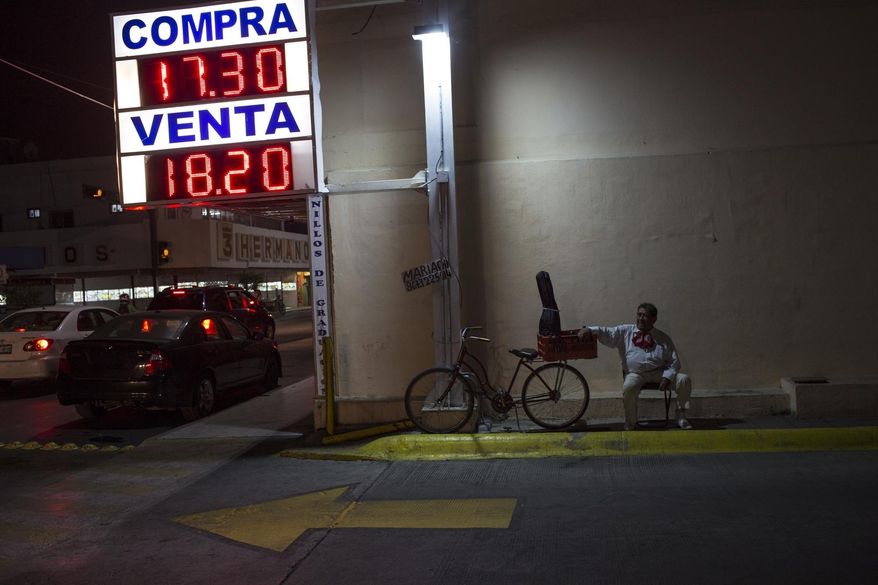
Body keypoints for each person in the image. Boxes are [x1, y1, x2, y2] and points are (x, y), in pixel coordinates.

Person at [577, 302, 692, 431]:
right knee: (628, 387)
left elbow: (674, 362)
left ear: (654, 319)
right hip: (635, 374)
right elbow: (607, 332)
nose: (641, 318)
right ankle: (630, 421)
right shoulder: (626, 331)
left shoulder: (663, 338)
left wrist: (667, 376)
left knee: (684, 379)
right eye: (639, 314)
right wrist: (589, 329)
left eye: (645, 316)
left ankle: (681, 415)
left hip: (660, 373)